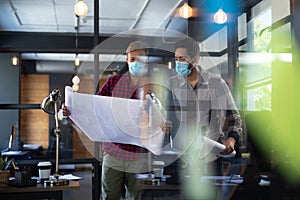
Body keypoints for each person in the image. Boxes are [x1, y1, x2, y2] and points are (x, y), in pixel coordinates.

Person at [63, 41, 151, 200]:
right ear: (126, 59)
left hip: (139, 153)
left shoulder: (151, 86)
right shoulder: (113, 82)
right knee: (109, 195)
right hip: (113, 151)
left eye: (140, 59)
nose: (136, 63)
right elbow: (95, 106)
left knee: (136, 197)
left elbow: (159, 116)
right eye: (132, 59)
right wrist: (72, 109)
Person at [162, 37, 243, 199]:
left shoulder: (216, 84)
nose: (178, 63)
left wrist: (232, 140)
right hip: (181, 156)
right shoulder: (171, 84)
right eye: (176, 59)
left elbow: (234, 116)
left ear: (196, 59)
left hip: (211, 157)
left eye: (182, 59)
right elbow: (163, 116)